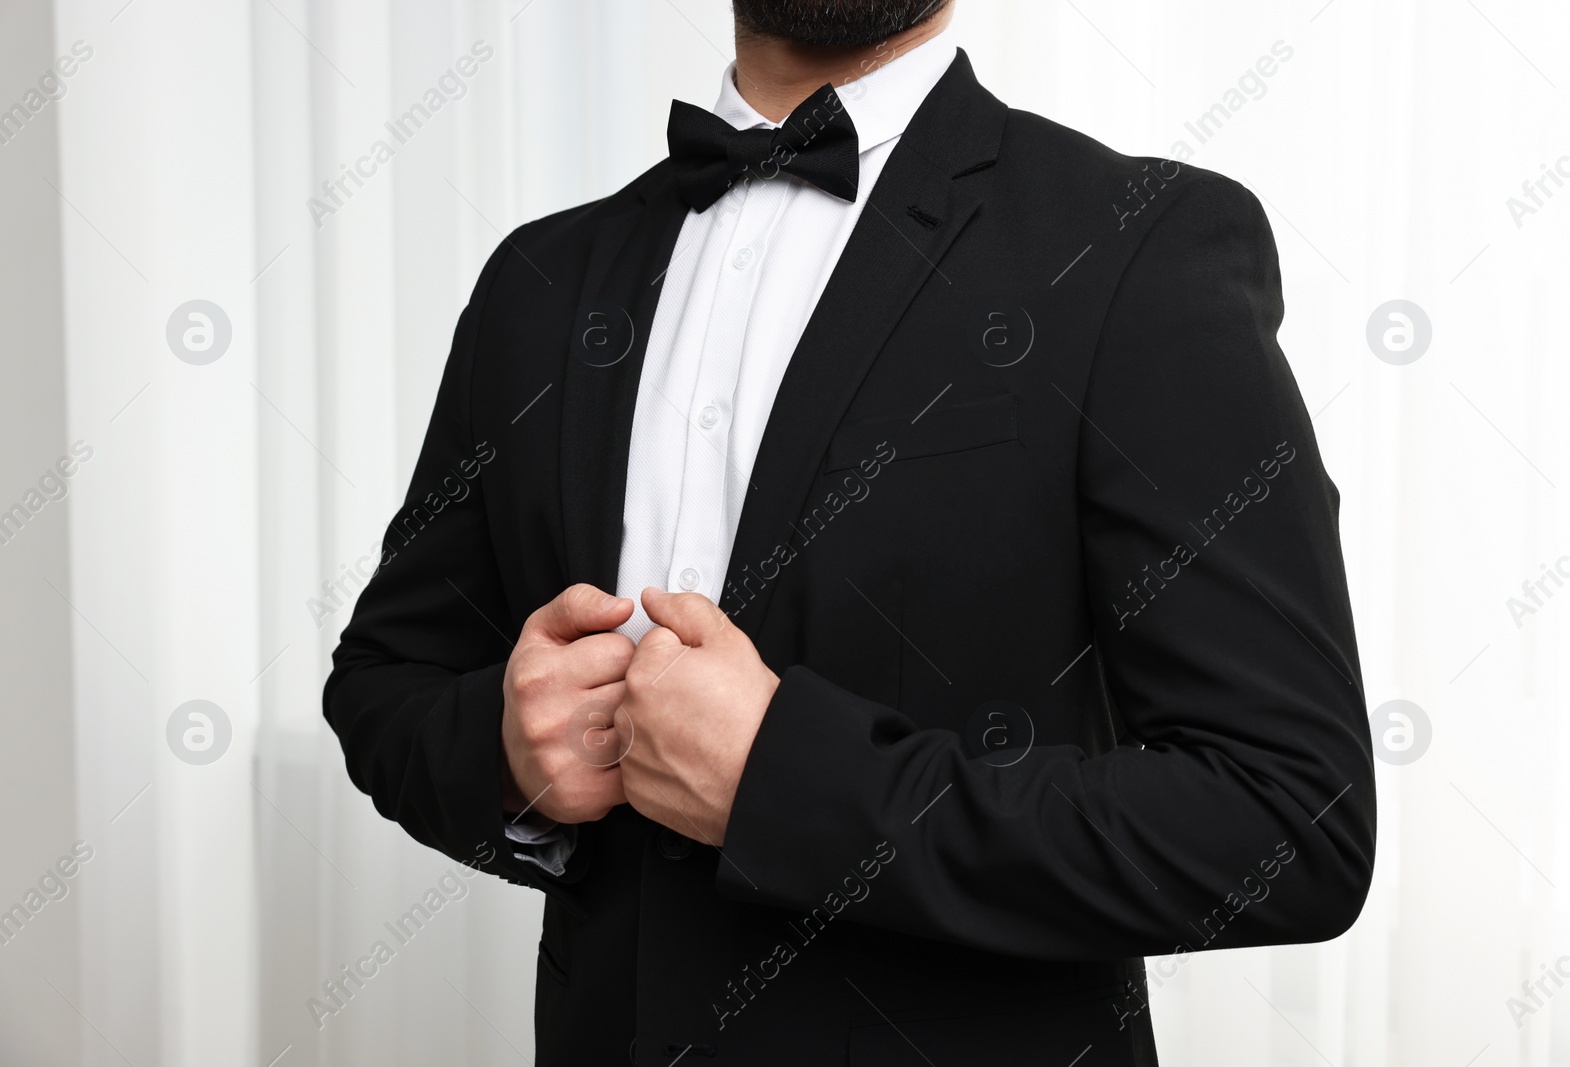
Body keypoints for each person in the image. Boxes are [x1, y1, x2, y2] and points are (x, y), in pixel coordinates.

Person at [324, 2, 1377, 1062]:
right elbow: (385, 678)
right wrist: (506, 749)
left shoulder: (1136, 245)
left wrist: (784, 783)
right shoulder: (536, 282)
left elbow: (1286, 815)